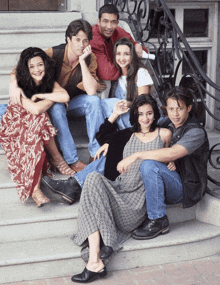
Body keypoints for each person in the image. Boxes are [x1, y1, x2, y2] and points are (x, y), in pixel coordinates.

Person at [45, 94, 174, 283]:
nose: (145, 118)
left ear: (155, 114)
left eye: (149, 113)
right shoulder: (128, 134)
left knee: (92, 188)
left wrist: (172, 163)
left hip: (136, 202)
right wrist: (110, 131)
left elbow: (167, 157)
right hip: (119, 190)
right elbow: (102, 134)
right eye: (140, 114)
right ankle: (94, 260)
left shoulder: (164, 134)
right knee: (93, 178)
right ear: (135, 116)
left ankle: (97, 257)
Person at [113, 87, 209, 240]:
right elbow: (141, 128)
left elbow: (172, 153)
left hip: (185, 187)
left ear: (189, 108)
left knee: (148, 164)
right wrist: (109, 143)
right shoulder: (167, 122)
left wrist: (136, 156)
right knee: (147, 164)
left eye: (180, 109)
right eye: (171, 109)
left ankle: (158, 219)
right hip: (165, 178)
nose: (175, 114)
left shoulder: (195, 132)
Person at [9, 19, 105, 172]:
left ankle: (96, 153)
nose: (81, 44)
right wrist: (13, 84)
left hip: (74, 102)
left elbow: (92, 91)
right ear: (68, 39)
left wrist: (82, 62)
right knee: (58, 106)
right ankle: (72, 160)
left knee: (93, 101)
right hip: (55, 102)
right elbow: (25, 64)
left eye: (85, 41)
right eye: (77, 40)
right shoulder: (54, 53)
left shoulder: (89, 58)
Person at [0, 47, 75, 207]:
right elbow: (35, 109)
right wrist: (52, 99)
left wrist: (41, 95)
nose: (36, 69)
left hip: (35, 125)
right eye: (31, 66)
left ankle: (39, 184)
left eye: (39, 64)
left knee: (38, 123)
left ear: (45, 65)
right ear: (26, 69)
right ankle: (37, 187)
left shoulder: (48, 81)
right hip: (14, 125)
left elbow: (65, 96)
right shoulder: (19, 85)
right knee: (38, 122)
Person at [90, 3, 149, 97]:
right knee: (105, 82)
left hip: (116, 68)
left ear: (117, 23)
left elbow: (142, 52)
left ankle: (134, 103)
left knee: (140, 67)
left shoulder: (118, 31)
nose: (109, 26)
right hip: (96, 76)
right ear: (98, 21)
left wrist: (138, 45)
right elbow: (107, 73)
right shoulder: (94, 37)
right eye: (105, 21)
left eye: (113, 22)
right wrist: (129, 69)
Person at [101, 37, 154, 130]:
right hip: (122, 118)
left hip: (141, 119)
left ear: (132, 56)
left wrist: (129, 103)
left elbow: (143, 101)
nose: (122, 58)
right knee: (104, 103)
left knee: (109, 103)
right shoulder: (116, 77)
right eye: (118, 54)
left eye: (126, 54)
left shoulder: (141, 72)